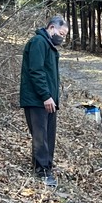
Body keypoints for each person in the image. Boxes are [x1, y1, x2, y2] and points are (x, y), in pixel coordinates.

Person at [19, 15, 69, 187]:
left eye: (64, 35)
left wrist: (52, 98)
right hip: (37, 99)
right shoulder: (39, 43)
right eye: (61, 33)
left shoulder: (49, 45)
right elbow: (36, 71)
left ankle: (46, 166)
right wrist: (46, 96)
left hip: (49, 100)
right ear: (51, 28)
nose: (62, 37)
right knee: (41, 136)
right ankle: (42, 172)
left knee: (48, 135)